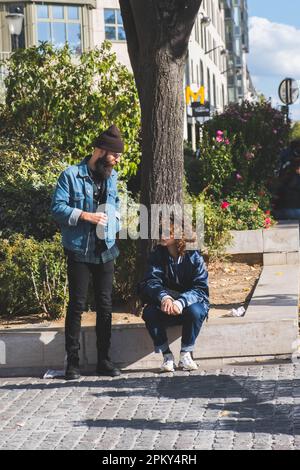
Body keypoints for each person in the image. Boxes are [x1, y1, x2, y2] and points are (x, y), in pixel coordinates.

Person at [51, 125, 123, 380]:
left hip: (106, 250)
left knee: (105, 307)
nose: (117, 160)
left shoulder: (111, 175)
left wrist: (116, 221)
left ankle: (104, 361)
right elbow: (57, 208)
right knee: (77, 306)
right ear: (101, 151)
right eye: (115, 155)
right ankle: (73, 364)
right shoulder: (70, 176)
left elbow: (116, 204)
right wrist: (85, 215)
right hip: (79, 249)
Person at [137, 225, 209, 372]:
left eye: (166, 231)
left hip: (190, 305)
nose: (161, 235)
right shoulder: (157, 254)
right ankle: (167, 356)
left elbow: (201, 288)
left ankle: (185, 354)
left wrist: (181, 302)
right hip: (165, 305)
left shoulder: (194, 256)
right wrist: (164, 298)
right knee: (149, 313)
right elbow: (151, 281)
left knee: (196, 311)